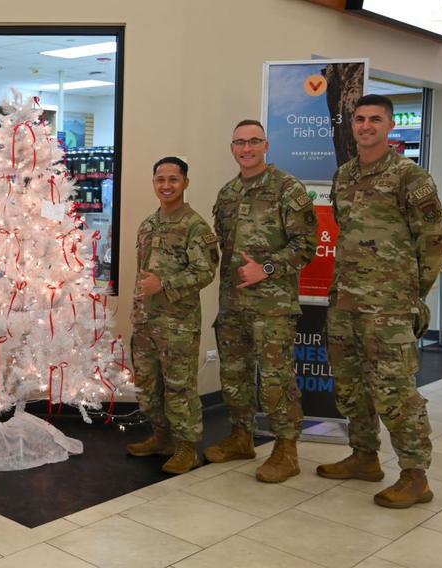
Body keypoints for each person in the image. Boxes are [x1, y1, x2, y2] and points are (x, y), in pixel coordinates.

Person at [317, 94, 442, 508]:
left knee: (394, 390)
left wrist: (412, 296)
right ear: (351, 125)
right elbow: (345, 227)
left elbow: (433, 241)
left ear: (389, 126)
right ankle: (364, 456)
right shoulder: (345, 175)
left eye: (375, 119)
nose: (366, 125)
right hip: (347, 302)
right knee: (351, 385)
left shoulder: (410, 176)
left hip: (390, 306)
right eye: (359, 119)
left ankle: (415, 475)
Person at [205, 119, 318, 483]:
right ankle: (241, 437)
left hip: (272, 307)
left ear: (266, 146)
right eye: (240, 142)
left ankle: (287, 450)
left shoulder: (288, 189)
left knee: (275, 379)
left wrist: (267, 268)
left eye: (254, 141)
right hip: (233, 305)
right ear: (232, 148)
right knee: (234, 375)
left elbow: (306, 246)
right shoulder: (227, 194)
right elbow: (223, 245)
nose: (247, 148)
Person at [126, 157, 219, 475]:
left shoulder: (195, 225)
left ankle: (187, 448)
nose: (166, 185)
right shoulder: (149, 224)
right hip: (146, 322)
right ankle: (162, 437)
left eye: (173, 179)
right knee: (149, 386)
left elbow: (206, 271)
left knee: (180, 387)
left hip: (177, 324)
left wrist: (164, 284)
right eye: (160, 179)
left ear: (185, 183)